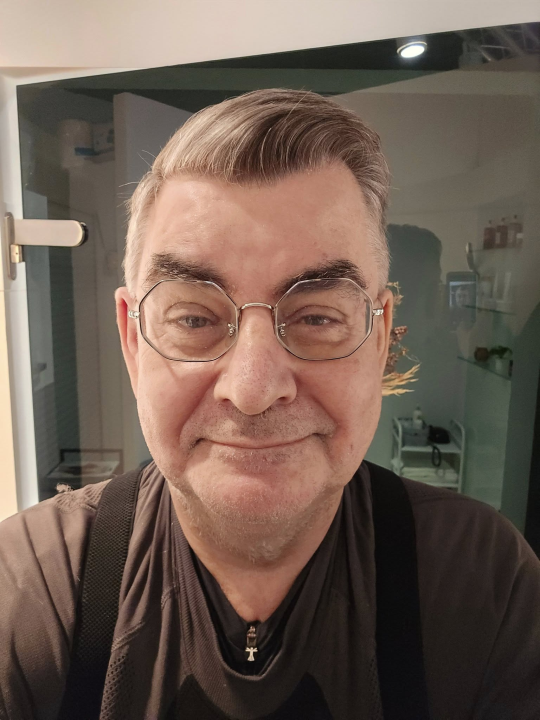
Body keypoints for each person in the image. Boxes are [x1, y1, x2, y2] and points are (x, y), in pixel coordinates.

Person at [1, 89, 539, 720]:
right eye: (194, 317)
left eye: (317, 317)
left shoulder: (481, 584)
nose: (253, 389)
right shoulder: (33, 587)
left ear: (380, 339)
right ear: (132, 340)